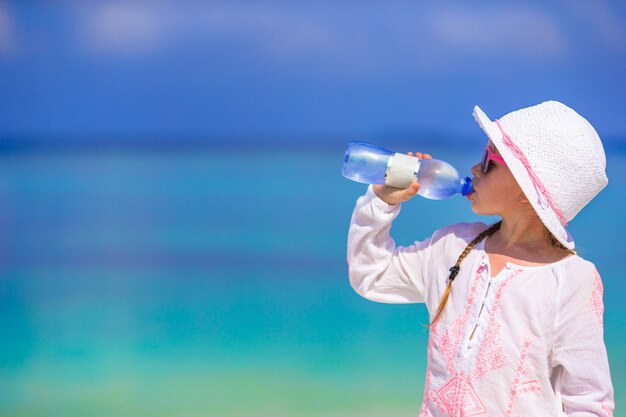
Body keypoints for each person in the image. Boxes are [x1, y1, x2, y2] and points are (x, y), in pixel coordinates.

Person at [346, 101, 615, 416]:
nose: (474, 168)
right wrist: (381, 202)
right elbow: (372, 275)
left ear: (526, 189)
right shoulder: (452, 246)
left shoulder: (569, 281)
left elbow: (589, 401)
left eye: (489, 162)